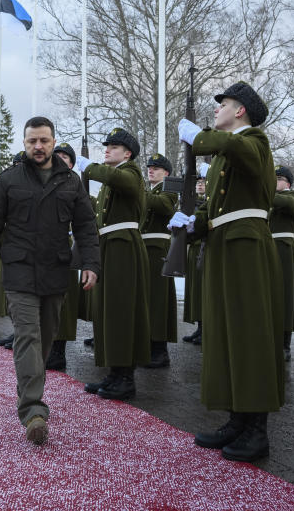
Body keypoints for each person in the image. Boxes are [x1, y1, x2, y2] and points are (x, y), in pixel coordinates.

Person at [171, 81, 283, 462]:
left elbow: (236, 148)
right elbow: (217, 209)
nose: (216, 110)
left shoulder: (254, 141)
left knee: (249, 334)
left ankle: (257, 429)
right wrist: (193, 224)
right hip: (223, 245)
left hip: (245, 247)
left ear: (240, 111)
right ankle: (238, 417)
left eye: (223, 105)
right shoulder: (224, 156)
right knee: (226, 333)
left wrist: (198, 137)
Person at [0, 117, 100, 445]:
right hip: (19, 271)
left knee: (44, 338)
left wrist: (91, 263)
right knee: (27, 336)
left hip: (55, 272)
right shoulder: (9, 180)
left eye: (44, 140)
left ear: (53, 141)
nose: (39, 147)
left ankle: (29, 388)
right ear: (24, 142)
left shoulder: (70, 181)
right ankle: (33, 410)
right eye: (32, 141)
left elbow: (86, 226)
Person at [77, 128, 151, 400]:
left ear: (128, 153)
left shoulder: (131, 173)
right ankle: (114, 372)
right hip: (109, 246)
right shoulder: (112, 181)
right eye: (106, 146)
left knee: (121, 311)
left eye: (114, 146)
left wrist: (90, 167)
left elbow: (121, 180)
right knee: (107, 310)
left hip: (123, 246)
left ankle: (125, 377)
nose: (107, 149)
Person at [45, 142, 85, 371]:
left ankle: (59, 351)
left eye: (65, 157)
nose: (59, 159)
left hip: (65, 246)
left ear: (71, 164)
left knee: (64, 302)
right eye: (56, 155)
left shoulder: (75, 185)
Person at [140, 153, 179, 368]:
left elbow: (164, 206)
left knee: (158, 300)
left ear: (167, 173)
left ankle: (160, 350)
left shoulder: (169, 190)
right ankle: (148, 345)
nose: (151, 170)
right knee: (146, 298)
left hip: (158, 249)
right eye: (149, 167)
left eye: (156, 168)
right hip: (144, 248)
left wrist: (138, 192)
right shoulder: (149, 191)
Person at [270, 166, 294, 361]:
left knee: (285, 296)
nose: (275, 181)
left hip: (283, 249)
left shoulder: (293, 197)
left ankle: (284, 344)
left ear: (288, 183)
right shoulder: (270, 201)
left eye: (279, 178)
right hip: (268, 247)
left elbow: (282, 202)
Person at [181, 172, 207, 345]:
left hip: (204, 247)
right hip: (194, 249)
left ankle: (206, 329)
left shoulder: (208, 203)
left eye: (203, 182)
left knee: (204, 290)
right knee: (194, 291)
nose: (199, 184)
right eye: (197, 182)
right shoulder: (192, 202)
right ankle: (199, 327)